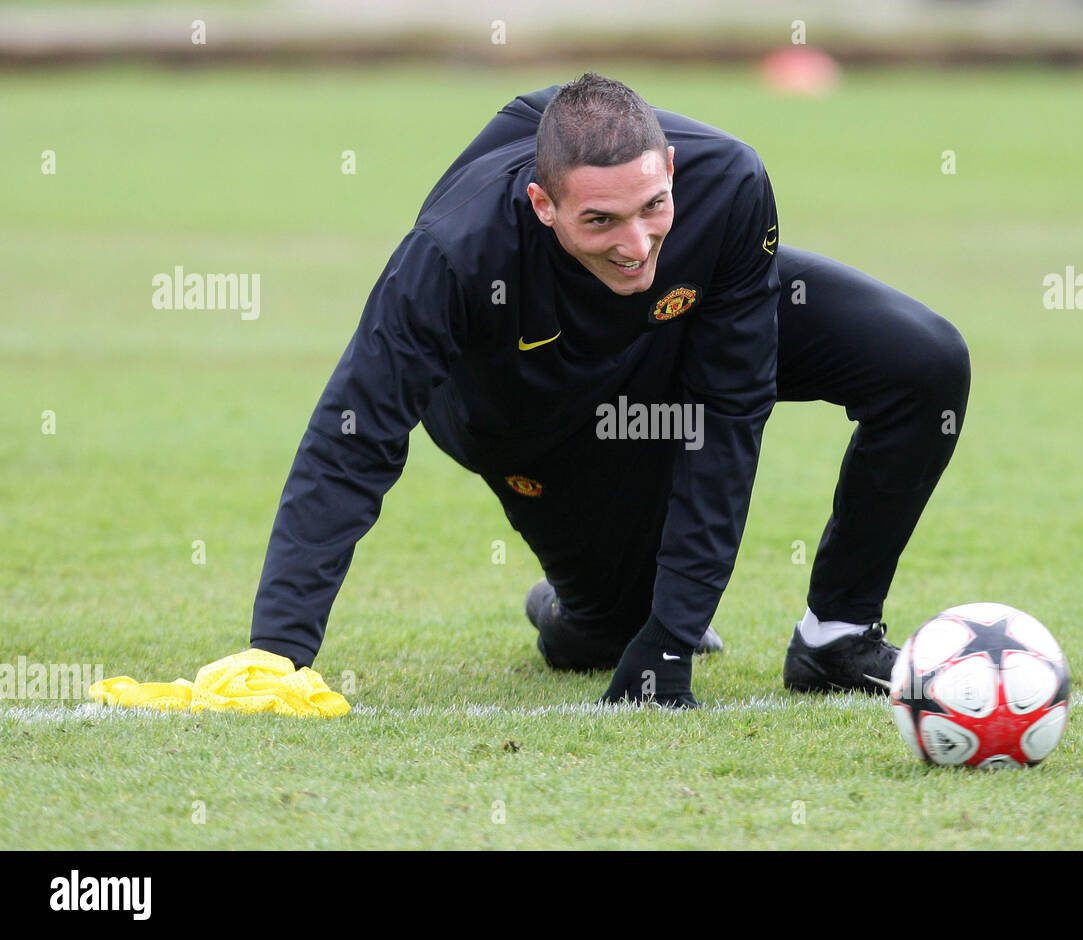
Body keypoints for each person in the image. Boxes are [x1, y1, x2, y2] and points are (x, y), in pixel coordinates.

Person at [247, 72, 970, 708]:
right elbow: (353, 439)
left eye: (652, 207)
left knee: (923, 365)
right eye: (599, 220)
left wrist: (676, 635)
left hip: (674, 330)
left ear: (672, 172)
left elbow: (728, 412)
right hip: (527, 413)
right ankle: (573, 610)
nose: (633, 244)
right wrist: (277, 657)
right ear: (542, 204)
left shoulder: (729, 186)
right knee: (611, 633)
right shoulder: (452, 254)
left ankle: (836, 636)